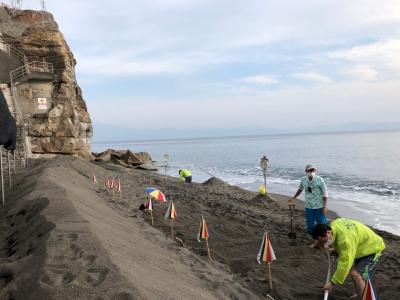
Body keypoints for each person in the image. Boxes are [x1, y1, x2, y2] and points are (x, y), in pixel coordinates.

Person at [311, 219, 385, 298]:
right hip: (361, 247)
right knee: (358, 274)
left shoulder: (345, 241)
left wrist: (332, 283)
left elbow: (345, 264)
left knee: (357, 274)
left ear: (328, 232)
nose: (324, 244)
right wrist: (338, 250)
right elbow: (344, 242)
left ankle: (369, 298)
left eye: (323, 241)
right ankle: (360, 293)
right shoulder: (335, 224)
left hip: (374, 249)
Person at [288, 164, 328, 236]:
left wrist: (325, 206)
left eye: (313, 170)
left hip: (319, 205)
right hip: (309, 205)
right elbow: (300, 189)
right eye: (310, 170)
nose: (311, 172)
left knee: (322, 222)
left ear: (315, 171)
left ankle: (325, 235)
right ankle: (311, 234)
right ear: (306, 171)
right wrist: (293, 198)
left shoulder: (320, 180)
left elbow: (325, 193)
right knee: (310, 222)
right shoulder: (303, 180)